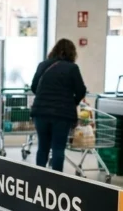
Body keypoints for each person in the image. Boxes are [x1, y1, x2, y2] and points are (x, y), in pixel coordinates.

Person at [31, 38, 87, 172]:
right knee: (58, 148)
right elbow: (81, 90)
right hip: (62, 115)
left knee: (42, 147)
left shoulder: (42, 65)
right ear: (71, 53)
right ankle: (57, 182)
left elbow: (34, 87)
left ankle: (40, 177)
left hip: (41, 112)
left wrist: (43, 97)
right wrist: (72, 102)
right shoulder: (72, 68)